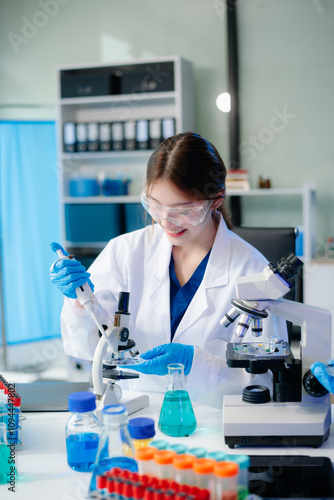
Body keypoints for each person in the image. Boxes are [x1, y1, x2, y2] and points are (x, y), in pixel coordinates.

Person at [50, 132, 287, 408]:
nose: (166, 221)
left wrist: (194, 363)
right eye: (155, 205)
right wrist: (79, 301)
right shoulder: (124, 252)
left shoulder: (253, 271)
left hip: (213, 421)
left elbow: (264, 384)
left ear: (217, 198)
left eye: (183, 210)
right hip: (133, 410)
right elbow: (86, 348)